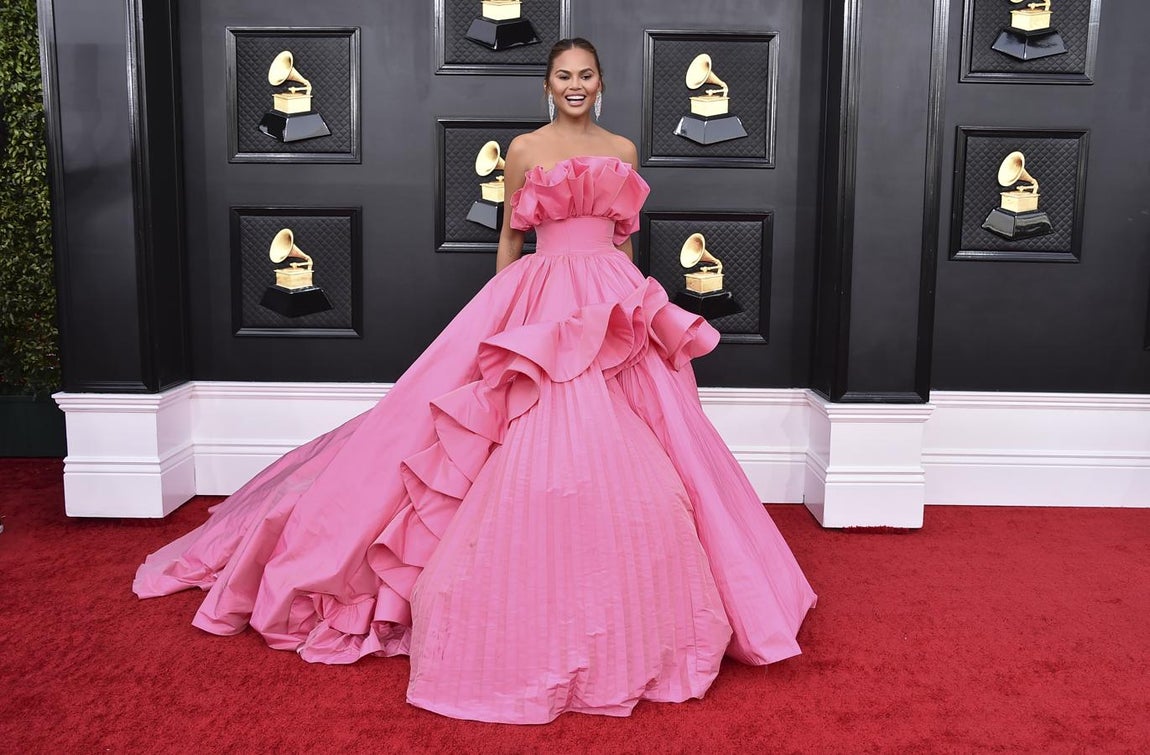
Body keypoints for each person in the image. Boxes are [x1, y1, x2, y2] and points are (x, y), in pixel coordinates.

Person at [134, 38, 816, 725]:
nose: (574, 85)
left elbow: (623, 237)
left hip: (613, 297)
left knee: (656, 447)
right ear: (547, 85)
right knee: (499, 428)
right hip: (540, 296)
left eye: (585, 75)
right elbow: (510, 241)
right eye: (563, 75)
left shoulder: (623, 150)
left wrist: (633, 302)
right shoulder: (524, 149)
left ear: (600, 82)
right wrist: (505, 316)